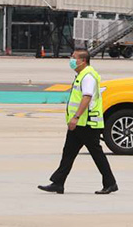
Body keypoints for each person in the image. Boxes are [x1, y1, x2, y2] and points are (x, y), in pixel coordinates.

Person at [38, 48, 118, 195]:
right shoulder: (81, 75)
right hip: (80, 123)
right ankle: (58, 183)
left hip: (86, 123)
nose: (71, 60)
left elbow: (86, 97)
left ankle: (110, 183)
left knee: (96, 153)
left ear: (83, 61)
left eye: (74, 57)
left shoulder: (88, 76)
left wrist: (76, 117)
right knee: (68, 152)